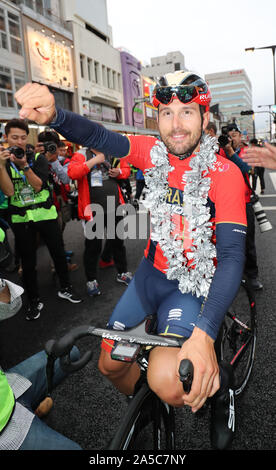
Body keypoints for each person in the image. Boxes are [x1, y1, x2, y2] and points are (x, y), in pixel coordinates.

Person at [14, 72, 247, 450]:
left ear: (205, 119)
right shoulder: (150, 153)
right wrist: (56, 115)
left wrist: (204, 334)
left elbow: (233, 255)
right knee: (110, 365)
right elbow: (99, 137)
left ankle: (223, 383)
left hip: (190, 289)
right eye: (167, 113)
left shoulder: (227, 174)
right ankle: (148, 410)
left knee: (167, 381)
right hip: (149, 279)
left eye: (187, 112)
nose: (176, 123)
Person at [0, 119, 82, 321]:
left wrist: (24, 165)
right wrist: (2, 166)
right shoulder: (3, 162)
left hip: (45, 215)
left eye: (22, 137)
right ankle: (34, 300)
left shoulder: (37, 158)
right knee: (28, 262)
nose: (19, 142)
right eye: (14, 138)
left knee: (58, 254)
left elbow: (37, 186)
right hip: (21, 219)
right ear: (5, 138)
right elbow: (9, 191)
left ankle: (66, 287)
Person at [0, 268, 82, 450]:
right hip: (4, 430)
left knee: (70, 353)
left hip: (9, 388)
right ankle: (31, 414)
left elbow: (10, 306)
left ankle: (32, 407)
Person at [67, 147, 133, 296]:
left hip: (114, 207)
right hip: (93, 210)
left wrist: (120, 172)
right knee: (93, 246)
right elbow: (73, 173)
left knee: (117, 242)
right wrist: (94, 161)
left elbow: (126, 170)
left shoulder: (114, 152)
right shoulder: (81, 154)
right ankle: (91, 280)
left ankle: (122, 272)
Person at [223, 124, 263, 291]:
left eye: (235, 135)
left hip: (244, 203)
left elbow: (249, 169)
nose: (232, 138)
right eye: (229, 136)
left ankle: (252, 275)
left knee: (248, 241)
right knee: (227, 241)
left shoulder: (246, 152)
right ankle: (232, 274)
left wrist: (232, 154)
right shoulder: (220, 153)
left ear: (240, 137)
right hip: (226, 204)